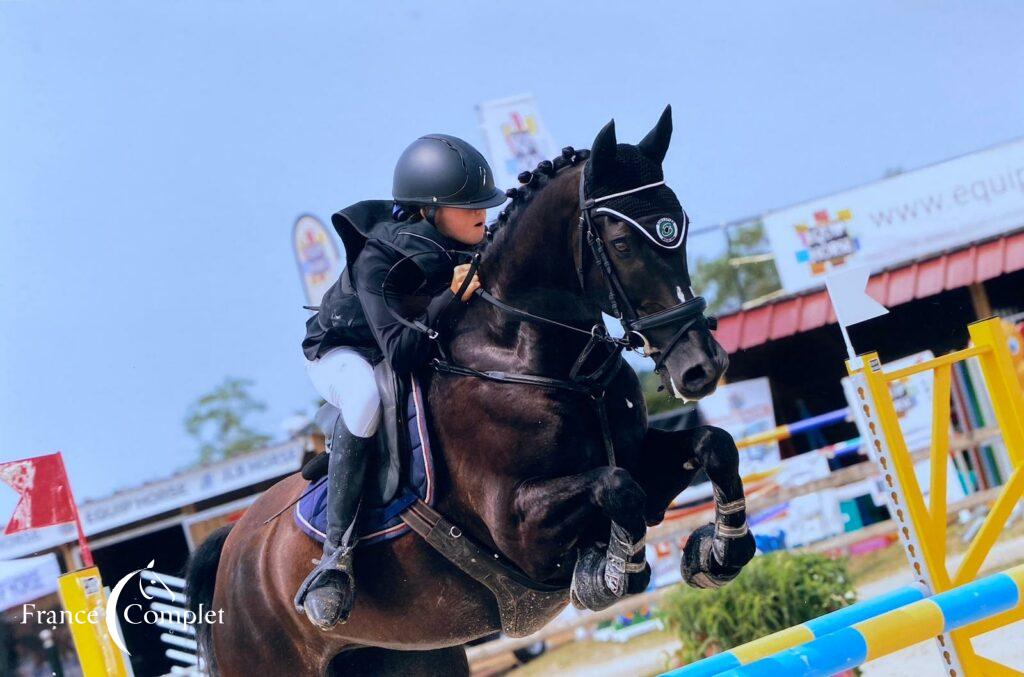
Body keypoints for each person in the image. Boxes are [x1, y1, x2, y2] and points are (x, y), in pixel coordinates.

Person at [294, 134, 507, 630]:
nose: (482, 213)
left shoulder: (470, 241)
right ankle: (335, 557)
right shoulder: (379, 258)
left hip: (404, 343)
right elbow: (403, 353)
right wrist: (449, 298)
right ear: (430, 210)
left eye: (484, 204)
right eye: (468, 205)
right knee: (367, 395)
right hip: (344, 353)